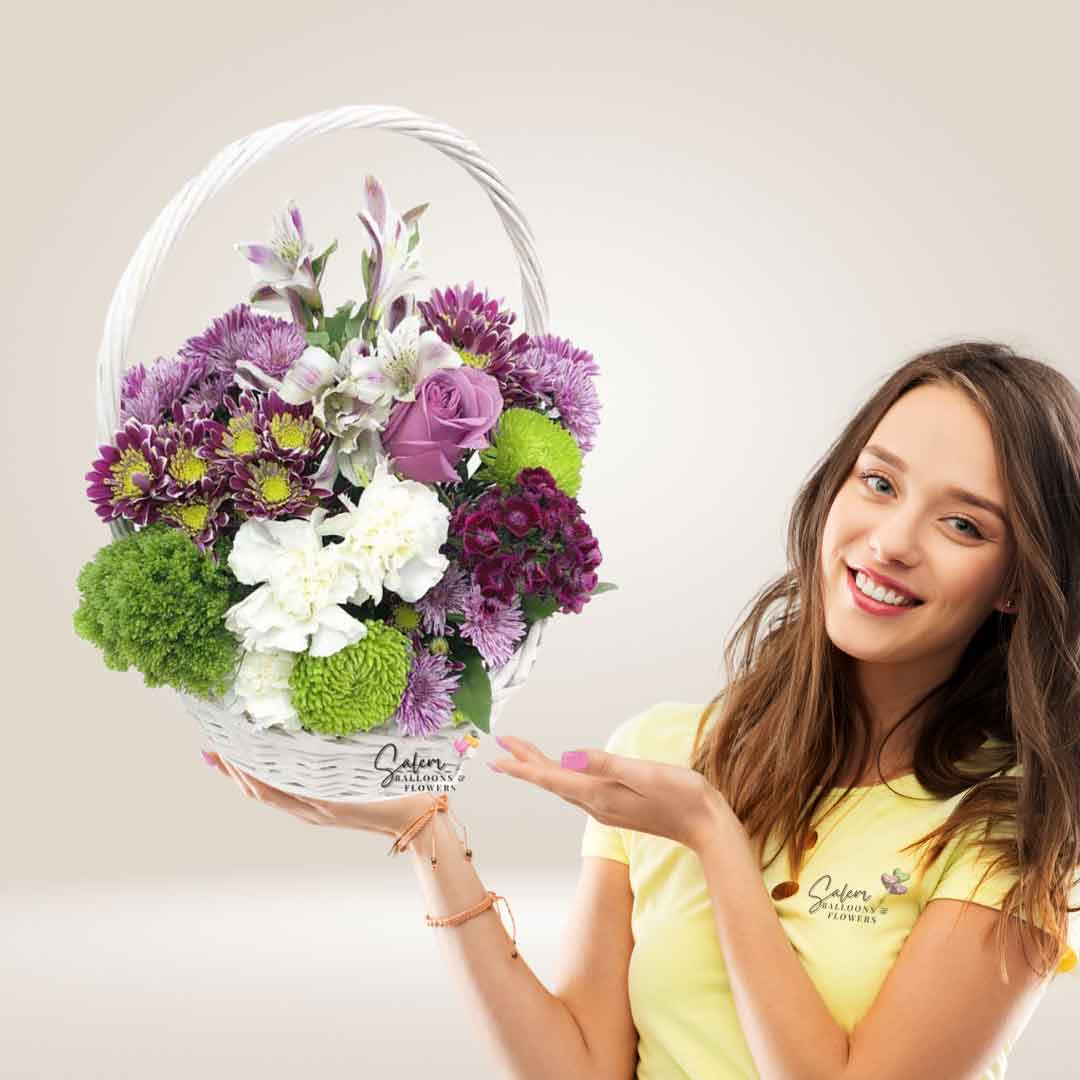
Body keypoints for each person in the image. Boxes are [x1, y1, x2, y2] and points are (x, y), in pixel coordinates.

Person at [205, 341, 1080, 1079]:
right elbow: (582, 1066)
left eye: (964, 526)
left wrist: (713, 837)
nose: (890, 542)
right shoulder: (670, 749)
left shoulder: (1011, 828)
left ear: (1015, 582)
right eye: (880, 484)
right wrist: (429, 836)